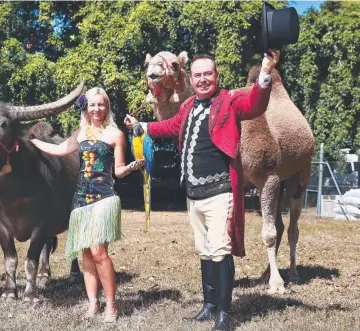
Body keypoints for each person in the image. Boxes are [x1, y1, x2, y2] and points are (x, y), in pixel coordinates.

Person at [125, 50, 280, 330]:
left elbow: (256, 104)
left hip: (221, 191)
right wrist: (143, 125)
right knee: (205, 250)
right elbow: (172, 126)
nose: (203, 79)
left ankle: (225, 313)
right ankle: (209, 306)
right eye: (197, 75)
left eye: (208, 74)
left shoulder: (231, 101)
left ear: (216, 76)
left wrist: (266, 72)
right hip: (193, 194)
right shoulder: (187, 107)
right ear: (191, 79)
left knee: (220, 249)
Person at [31, 87, 144, 323]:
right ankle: (93, 303)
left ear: (107, 107)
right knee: (85, 254)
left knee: (99, 252)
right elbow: (60, 150)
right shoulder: (80, 133)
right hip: (81, 199)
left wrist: (132, 167)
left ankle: (111, 305)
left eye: (101, 104)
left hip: (104, 198)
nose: (97, 109)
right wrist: (32, 142)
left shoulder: (116, 134)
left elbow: (119, 170)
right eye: (92, 105)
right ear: (86, 107)